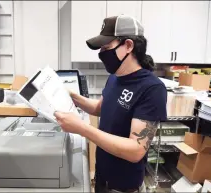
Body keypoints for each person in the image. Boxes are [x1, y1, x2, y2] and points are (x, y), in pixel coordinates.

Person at [54, 15, 167, 193]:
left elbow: (136, 150)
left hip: (123, 186)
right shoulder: (115, 77)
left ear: (129, 45)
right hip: (102, 177)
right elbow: (100, 108)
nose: (102, 54)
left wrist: (82, 128)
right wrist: (72, 96)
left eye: (107, 48)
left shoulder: (152, 88)